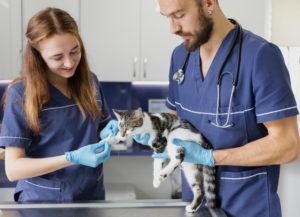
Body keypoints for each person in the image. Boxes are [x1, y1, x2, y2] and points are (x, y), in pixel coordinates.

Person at [101, 0, 300, 216]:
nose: (173, 28)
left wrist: (211, 157)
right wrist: (146, 129)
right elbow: (175, 119)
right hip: (196, 203)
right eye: (167, 17)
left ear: (208, 3)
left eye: (179, 15)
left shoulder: (260, 56)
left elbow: (287, 145)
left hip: (248, 207)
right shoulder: (180, 57)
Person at [0, 7, 113, 203]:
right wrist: (71, 158)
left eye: (74, 51)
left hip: (90, 197)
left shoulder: (90, 82)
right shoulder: (21, 93)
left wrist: (114, 132)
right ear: (38, 55)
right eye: (57, 57)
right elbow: (13, 169)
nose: (69, 63)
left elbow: (101, 131)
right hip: (42, 202)